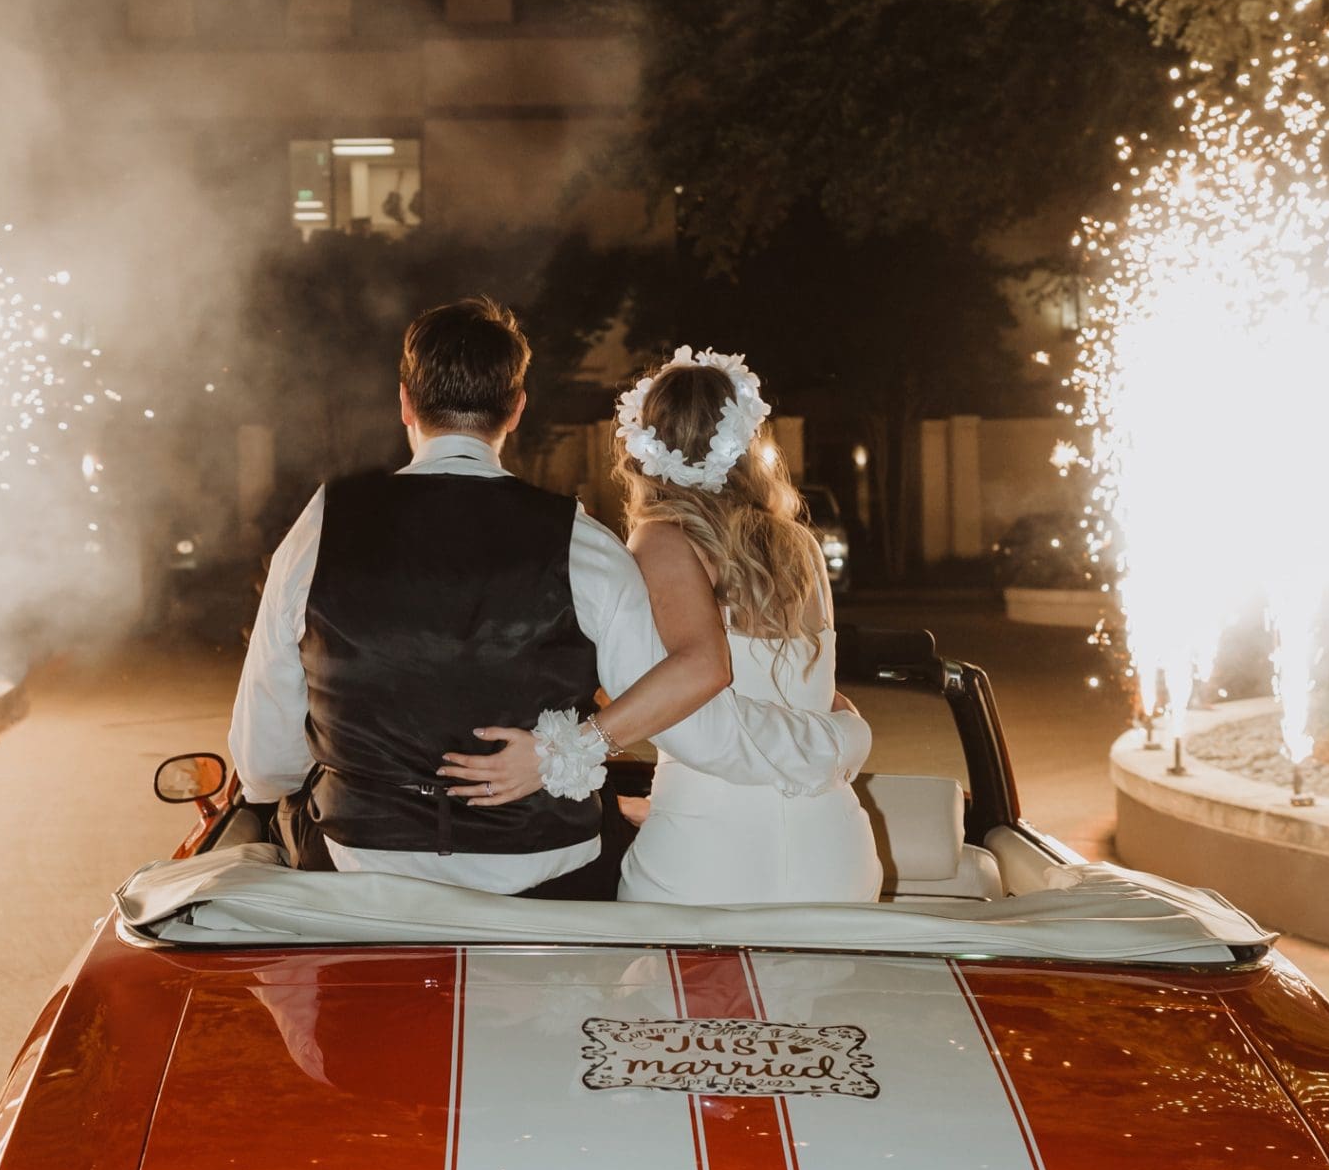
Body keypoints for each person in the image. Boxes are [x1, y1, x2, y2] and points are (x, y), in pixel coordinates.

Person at [228, 299, 871, 898]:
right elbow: (666, 697)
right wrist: (843, 736)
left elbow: (263, 762)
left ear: (404, 403)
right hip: (546, 872)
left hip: (360, 863)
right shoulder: (585, 544)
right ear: (515, 408)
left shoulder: (321, 525)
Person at [447, 345, 883, 908]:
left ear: (644, 445)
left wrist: (562, 754)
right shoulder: (799, 545)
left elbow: (698, 691)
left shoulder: (662, 539)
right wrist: (846, 736)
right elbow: (807, 697)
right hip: (834, 853)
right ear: (750, 439)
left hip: (710, 861)